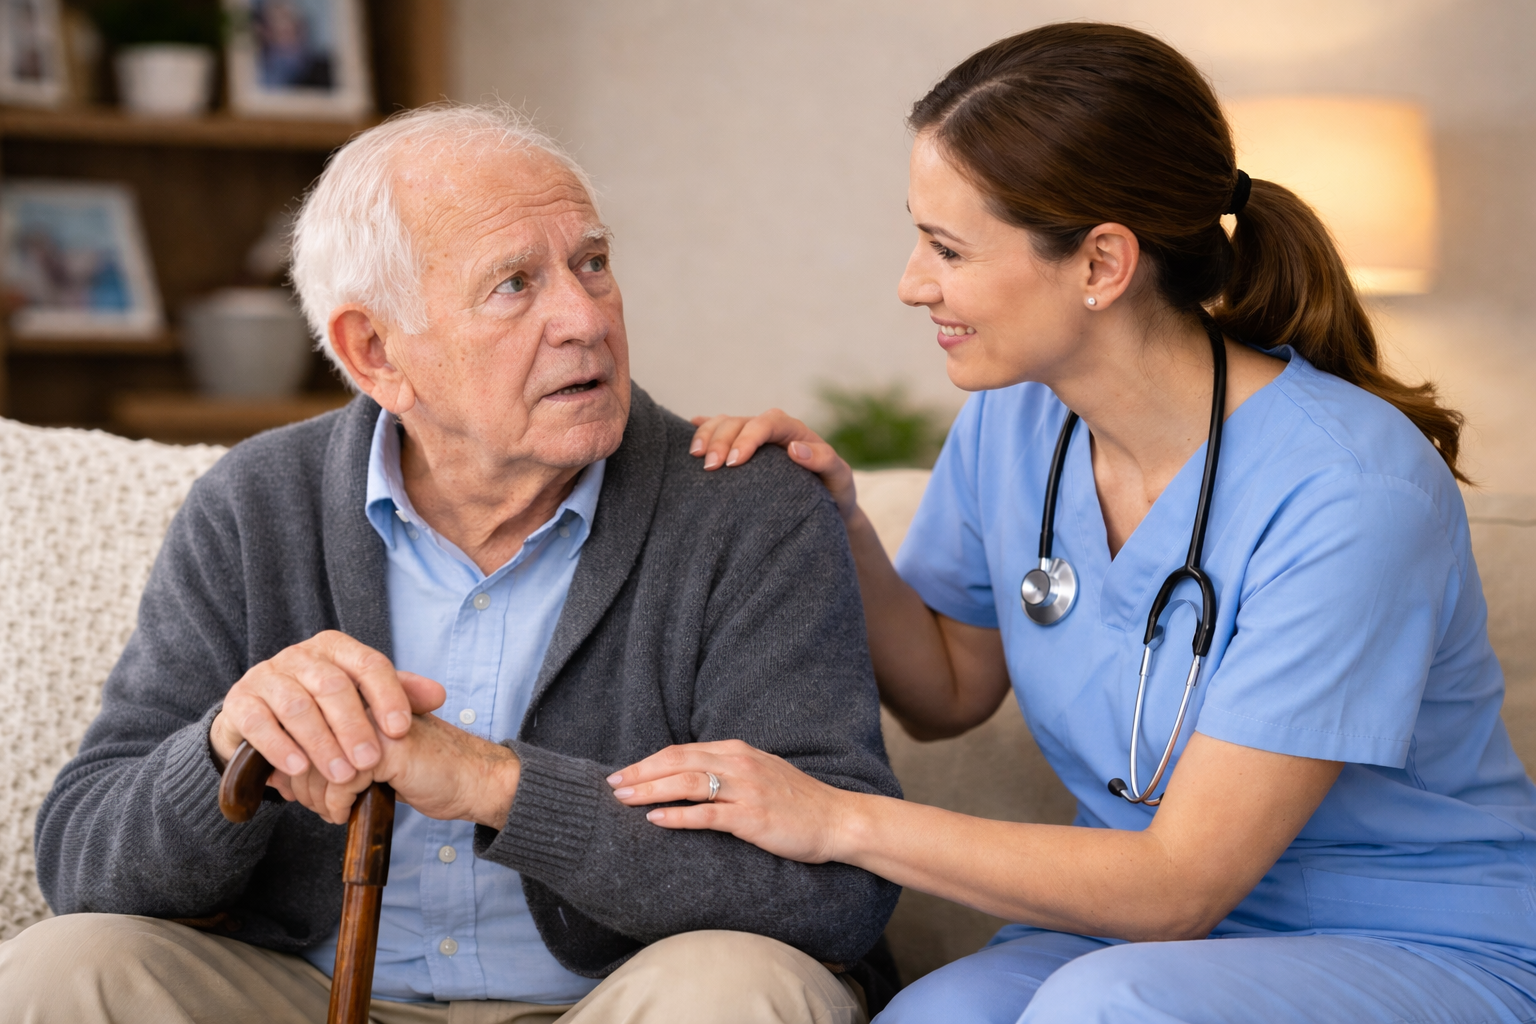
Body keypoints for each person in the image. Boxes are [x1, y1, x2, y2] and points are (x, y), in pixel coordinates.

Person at [606, 23, 1536, 1024]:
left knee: (1105, 1007)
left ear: (1101, 262)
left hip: (1407, 939)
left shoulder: (1351, 491)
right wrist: (837, 520)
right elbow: (950, 690)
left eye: (948, 247)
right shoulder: (1016, 421)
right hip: (1131, 931)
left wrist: (832, 820)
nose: (913, 282)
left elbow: (1182, 886)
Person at [0, 104, 899, 1024]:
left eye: (592, 263)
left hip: (618, 998)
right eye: (514, 284)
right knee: (62, 969)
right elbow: (82, 858)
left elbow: (835, 890)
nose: (584, 317)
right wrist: (227, 746)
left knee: (742, 993)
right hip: (308, 996)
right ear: (375, 351)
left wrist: (496, 786)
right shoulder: (255, 503)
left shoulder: (746, 508)